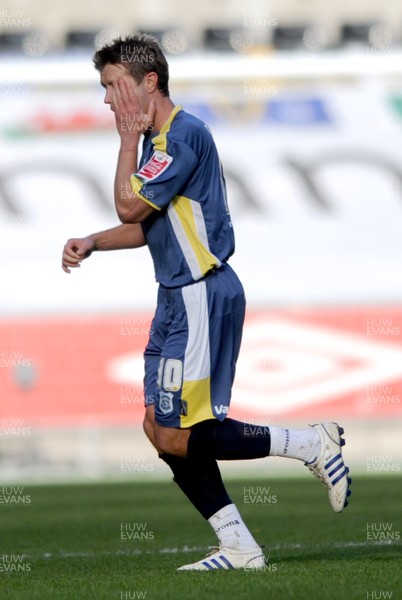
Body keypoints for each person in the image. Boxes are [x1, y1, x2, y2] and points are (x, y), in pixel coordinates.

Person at [61, 33, 351, 571]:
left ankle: (310, 443)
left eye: (113, 88)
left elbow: (130, 207)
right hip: (174, 298)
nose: (108, 101)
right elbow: (148, 225)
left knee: (178, 431)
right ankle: (239, 546)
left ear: (150, 82)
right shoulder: (159, 143)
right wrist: (94, 242)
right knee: (158, 428)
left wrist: (126, 141)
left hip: (201, 295)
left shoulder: (180, 137)